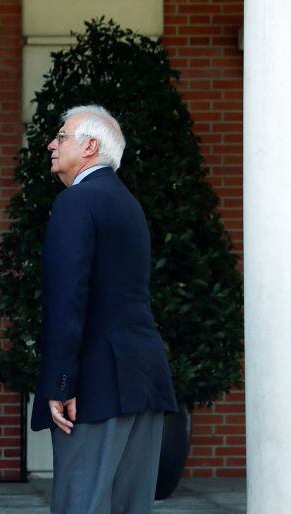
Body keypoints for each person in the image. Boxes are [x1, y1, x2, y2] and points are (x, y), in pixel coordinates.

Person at [30, 105, 178, 514]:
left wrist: (61, 382)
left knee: (82, 504)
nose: (51, 144)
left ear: (90, 146)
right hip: (144, 378)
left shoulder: (77, 202)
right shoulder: (127, 203)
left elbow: (68, 298)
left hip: (97, 385)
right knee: (131, 507)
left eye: (61, 136)